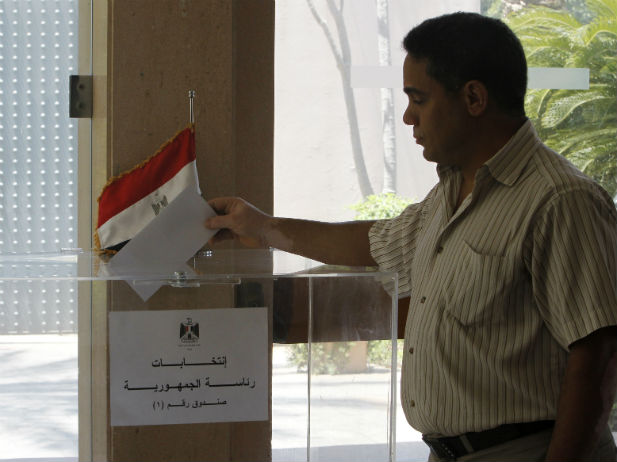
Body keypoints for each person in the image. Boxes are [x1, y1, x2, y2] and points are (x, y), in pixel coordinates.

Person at [205, 12, 617, 462]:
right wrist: (261, 227)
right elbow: (374, 243)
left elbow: (597, 357)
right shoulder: (449, 194)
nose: (407, 116)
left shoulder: (561, 200)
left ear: (474, 98)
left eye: (418, 99)